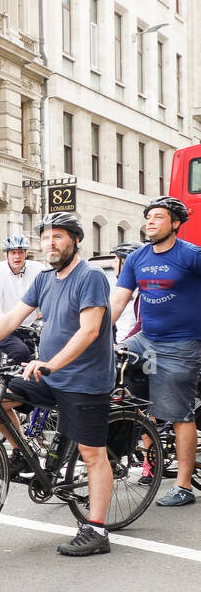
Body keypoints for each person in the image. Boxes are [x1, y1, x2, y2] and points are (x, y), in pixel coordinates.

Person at [0, 212, 115, 557]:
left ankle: (97, 530)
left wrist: (50, 362)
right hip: (49, 376)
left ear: (75, 240)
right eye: (45, 238)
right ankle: (21, 454)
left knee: (92, 454)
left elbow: (89, 331)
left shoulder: (90, 277)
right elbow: (13, 318)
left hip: (85, 380)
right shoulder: (45, 278)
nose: (50, 244)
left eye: (58, 237)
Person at [109, 197, 201, 507]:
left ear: (175, 223)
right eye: (148, 217)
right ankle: (122, 446)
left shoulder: (191, 256)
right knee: (105, 366)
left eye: (158, 217)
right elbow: (119, 301)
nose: (150, 221)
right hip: (146, 340)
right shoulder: (137, 258)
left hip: (182, 344)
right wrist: (92, 335)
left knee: (179, 414)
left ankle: (184, 486)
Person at [0, 235, 44, 365]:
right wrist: (6, 326)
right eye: (13, 253)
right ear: (6, 255)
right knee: (20, 351)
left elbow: (47, 295)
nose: (17, 256)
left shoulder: (38, 269)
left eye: (21, 252)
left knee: (43, 352)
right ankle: (7, 382)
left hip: (26, 327)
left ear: (26, 254)